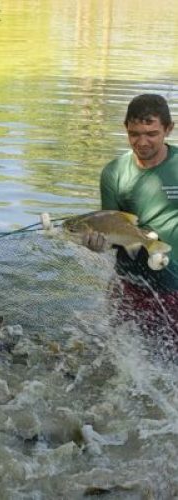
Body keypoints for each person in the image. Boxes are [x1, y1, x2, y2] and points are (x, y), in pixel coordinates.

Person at [85, 93, 178, 346]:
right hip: (128, 284)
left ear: (169, 129)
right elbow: (110, 231)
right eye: (135, 133)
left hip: (173, 287)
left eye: (152, 133)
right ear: (125, 128)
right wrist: (98, 244)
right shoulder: (114, 173)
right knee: (121, 359)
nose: (142, 141)